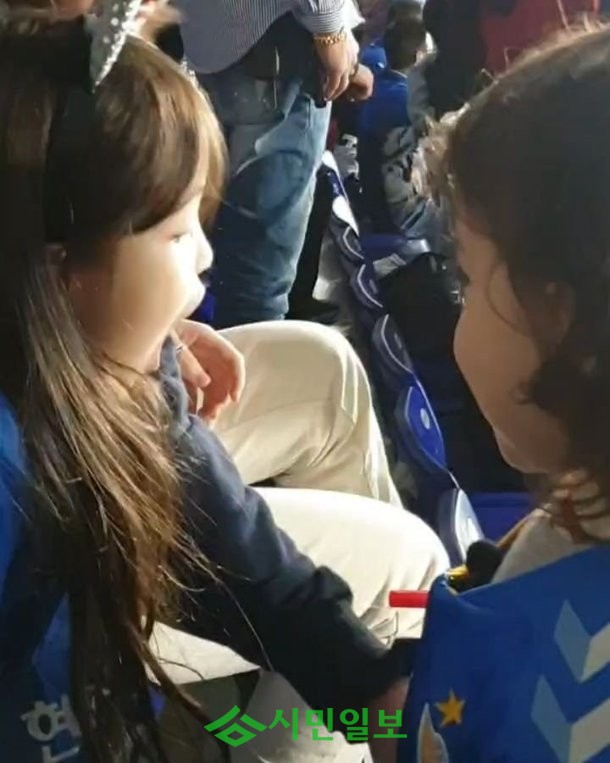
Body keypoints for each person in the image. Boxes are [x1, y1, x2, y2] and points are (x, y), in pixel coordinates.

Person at [0, 8, 448, 763]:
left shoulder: (107, 359)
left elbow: (238, 546)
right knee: (408, 555)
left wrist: (368, 685)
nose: (206, 258)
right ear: (62, 274)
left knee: (324, 366)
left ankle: (304, 725)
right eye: (178, 235)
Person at [401, 26, 610, 761]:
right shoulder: (580, 505)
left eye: (466, 280)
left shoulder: (567, 703)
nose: (458, 311)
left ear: (565, 323)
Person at [173, 0, 359, 328]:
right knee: (257, 282)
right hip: (279, 41)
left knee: (231, 251)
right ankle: (249, 358)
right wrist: (330, 27)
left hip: (215, 41)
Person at [357, 2, 427, 232]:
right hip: (395, 215)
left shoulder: (378, 87)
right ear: (419, 56)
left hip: (374, 202)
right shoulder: (407, 101)